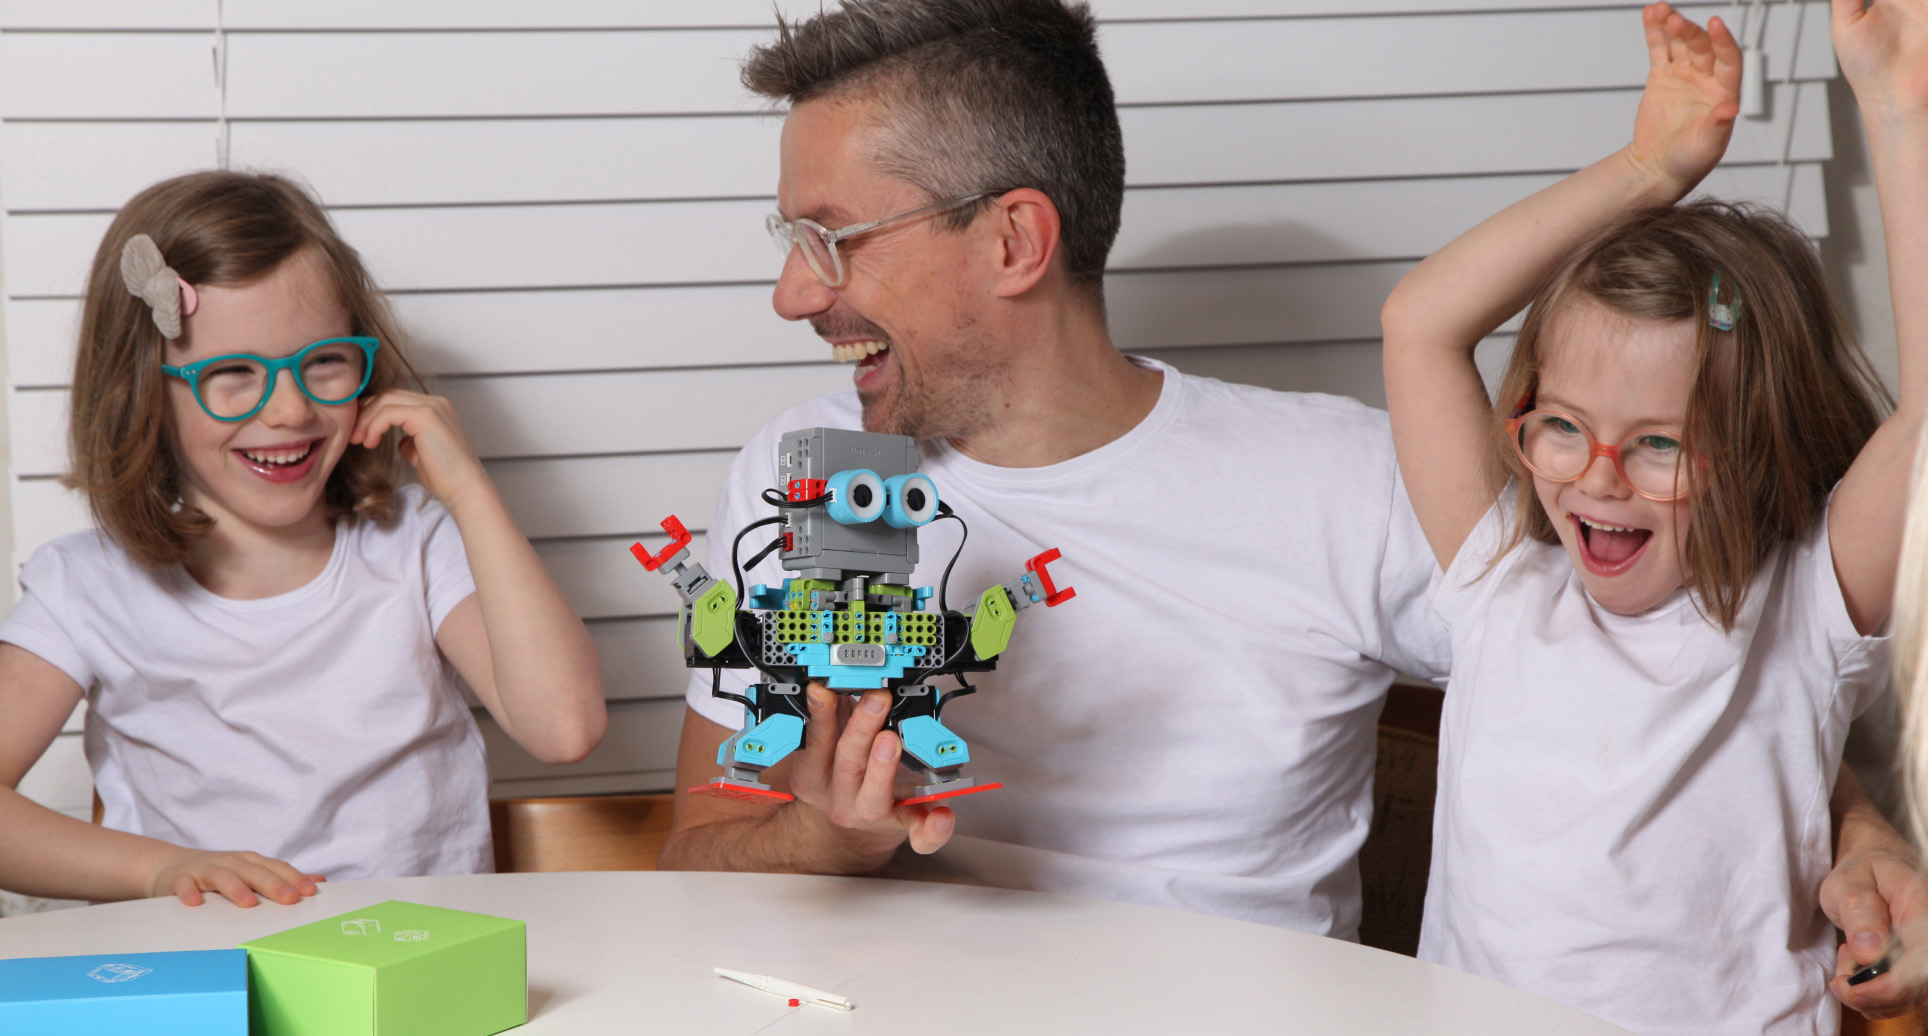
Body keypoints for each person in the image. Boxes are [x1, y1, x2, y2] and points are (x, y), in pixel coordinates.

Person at [656, 0, 1448, 937]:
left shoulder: (1351, 480)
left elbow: (1615, 711)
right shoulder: (805, 476)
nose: (793, 294)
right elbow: (697, 857)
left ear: (1014, 242)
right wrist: (830, 833)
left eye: (830, 238)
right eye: (793, 242)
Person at [1381, 2, 1926, 1031]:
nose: (1596, 478)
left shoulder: (1803, 614)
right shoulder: (1500, 583)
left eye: (1658, 443)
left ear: (1755, 457)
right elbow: (1417, 323)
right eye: (1562, 426)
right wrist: (1645, 168)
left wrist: (1898, 113)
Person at [0, 171, 607, 908]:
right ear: (143, 389)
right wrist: (158, 871)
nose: (289, 409)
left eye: (322, 362)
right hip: (215, 976)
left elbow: (565, 728)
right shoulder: (87, 586)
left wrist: (470, 491)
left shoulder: (416, 544)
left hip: (413, 970)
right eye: (231, 373)